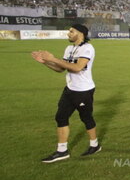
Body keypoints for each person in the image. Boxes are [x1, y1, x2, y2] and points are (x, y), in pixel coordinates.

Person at [32, 24, 101, 163]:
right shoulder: (69, 48)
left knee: (86, 118)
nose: (68, 33)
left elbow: (77, 67)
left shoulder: (87, 48)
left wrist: (52, 58)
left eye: (71, 31)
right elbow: (60, 69)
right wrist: (45, 62)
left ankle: (95, 145)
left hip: (83, 91)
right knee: (60, 117)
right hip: (69, 89)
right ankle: (62, 151)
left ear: (80, 33)